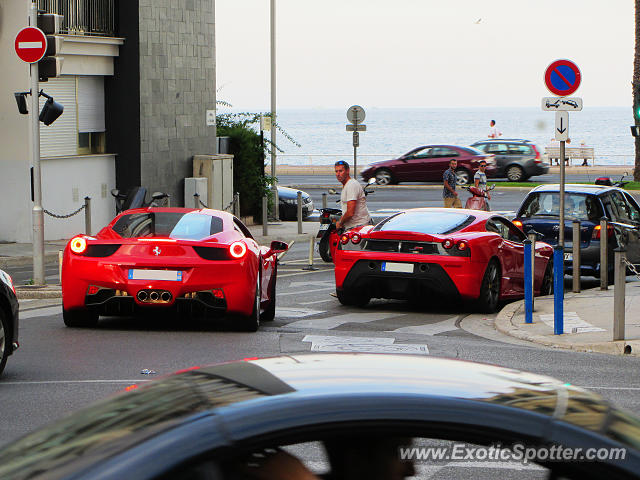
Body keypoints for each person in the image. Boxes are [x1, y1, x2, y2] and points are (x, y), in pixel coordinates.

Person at [334, 160, 372, 230]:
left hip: (359, 227)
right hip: (354, 226)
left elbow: (350, 212)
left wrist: (340, 223)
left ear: (347, 171)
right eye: (336, 171)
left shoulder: (351, 185)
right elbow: (346, 211)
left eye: (340, 171)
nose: (338, 174)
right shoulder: (347, 185)